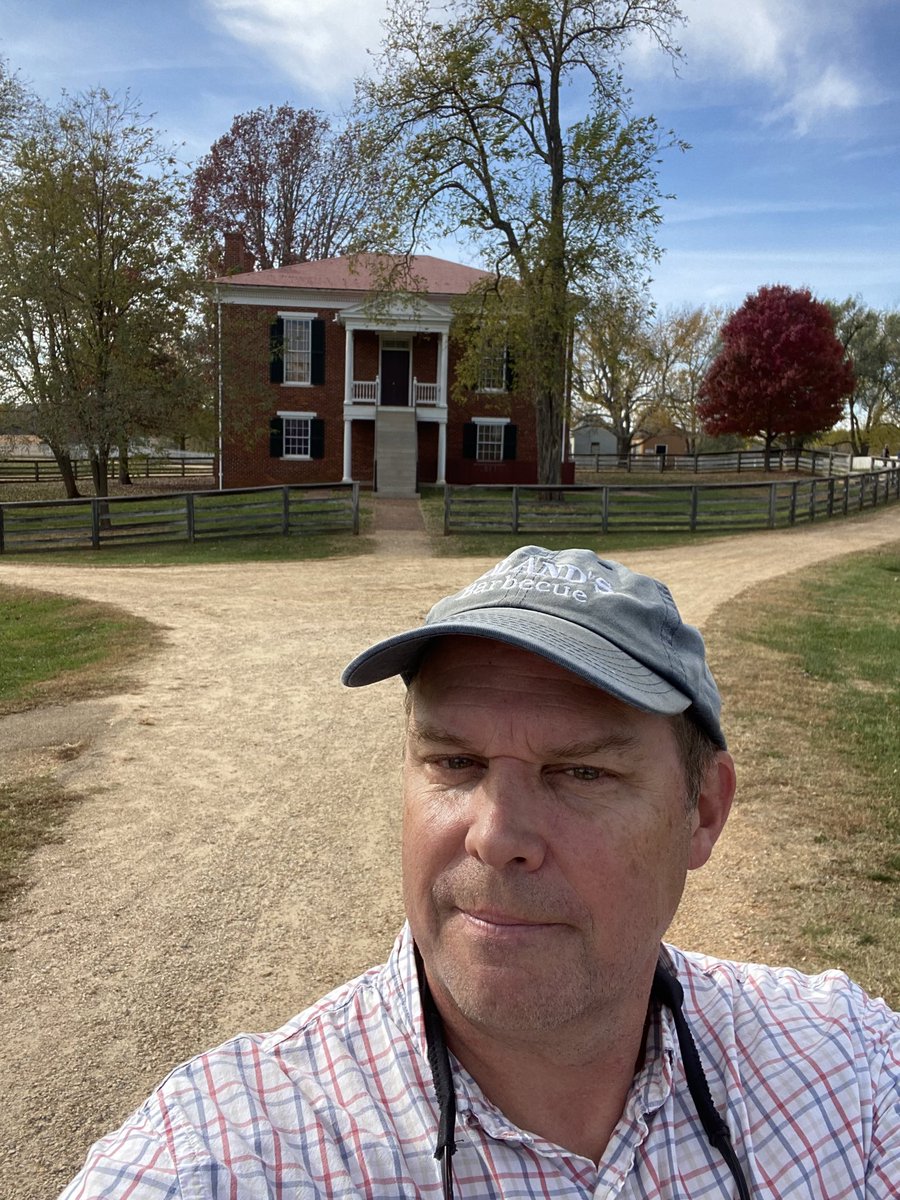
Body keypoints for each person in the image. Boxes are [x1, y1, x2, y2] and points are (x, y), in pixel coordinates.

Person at [60, 547, 899, 1199]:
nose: (498, 837)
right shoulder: (218, 1159)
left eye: (583, 773)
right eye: (454, 761)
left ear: (703, 813)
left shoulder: (847, 1074)